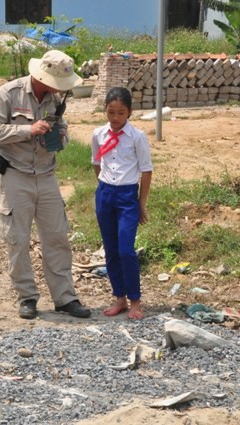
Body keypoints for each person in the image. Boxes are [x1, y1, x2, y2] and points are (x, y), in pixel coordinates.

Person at [0, 50, 91, 320]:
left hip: (46, 175)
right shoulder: (9, 93)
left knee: (57, 237)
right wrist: (26, 130)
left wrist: (60, 137)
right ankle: (27, 297)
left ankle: (65, 297)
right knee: (17, 239)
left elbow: (61, 131)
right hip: (15, 175)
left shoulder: (56, 100)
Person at [91, 87, 152, 320]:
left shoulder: (138, 137)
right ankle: (120, 298)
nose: (115, 118)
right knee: (111, 250)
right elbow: (97, 163)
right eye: (111, 112)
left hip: (128, 197)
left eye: (121, 113)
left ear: (130, 113)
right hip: (105, 194)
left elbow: (146, 171)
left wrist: (141, 203)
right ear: (105, 111)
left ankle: (135, 300)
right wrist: (104, 188)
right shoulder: (98, 134)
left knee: (126, 250)